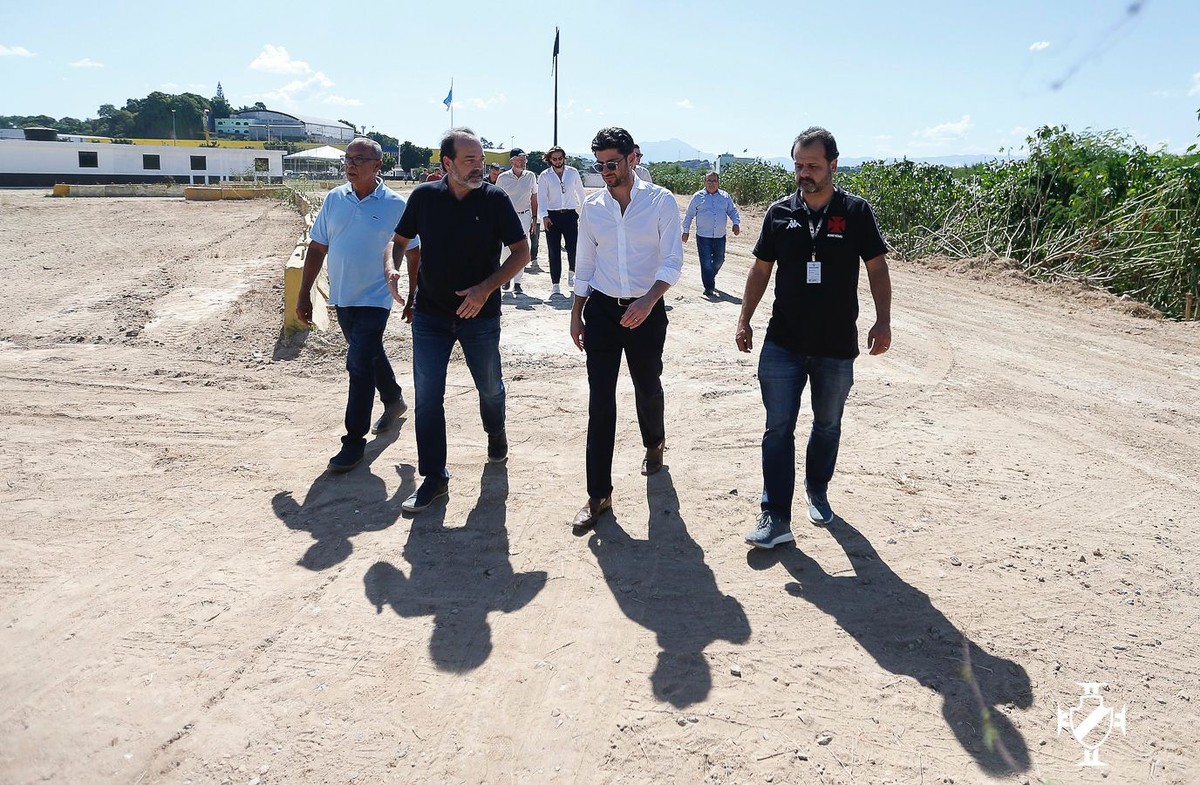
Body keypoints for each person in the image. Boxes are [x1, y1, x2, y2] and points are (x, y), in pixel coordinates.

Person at [736, 126, 892, 549]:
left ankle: (817, 487)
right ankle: (775, 514)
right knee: (777, 427)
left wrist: (883, 321)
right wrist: (744, 319)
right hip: (783, 341)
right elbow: (760, 270)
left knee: (827, 424)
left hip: (836, 345)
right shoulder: (779, 213)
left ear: (833, 165)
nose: (804, 173)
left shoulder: (855, 212)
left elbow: (877, 268)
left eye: (813, 165)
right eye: (799, 165)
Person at [389, 128, 530, 513]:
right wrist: (392, 268)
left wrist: (484, 289)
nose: (478, 167)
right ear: (447, 163)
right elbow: (398, 242)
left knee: (490, 388)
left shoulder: (495, 199)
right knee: (427, 397)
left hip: (480, 316)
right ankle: (434, 477)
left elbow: (522, 253)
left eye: (481, 160)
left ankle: (495, 431)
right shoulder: (423, 197)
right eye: (470, 160)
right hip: (430, 315)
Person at [568, 127, 684, 528]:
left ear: (633, 158)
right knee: (600, 400)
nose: (606, 172)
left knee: (647, 386)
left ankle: (654, 442)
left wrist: (649, 300)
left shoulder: (660, 201)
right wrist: (576, 312)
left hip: (647, 310)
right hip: (602, 311)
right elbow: (585, 262)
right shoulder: (593, 206)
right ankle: (598, 494)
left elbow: (672, 261)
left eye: (612, 164)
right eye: (600, 165)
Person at [296, 137, 421, 473]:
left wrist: (413, 295)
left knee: (359, 364)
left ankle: (353, 441)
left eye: (359, 159)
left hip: (376, 298)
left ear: (378, 165)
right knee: (368, 353)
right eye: (347, 159)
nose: (350, 164)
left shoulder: (396, 205)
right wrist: (304, 293)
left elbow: (414, 252)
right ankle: (393, 399)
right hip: (342, 296)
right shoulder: (334, 199)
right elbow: (317, 247)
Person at [536, 145, 586, 296]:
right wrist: (544, 216)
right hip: (552, 217)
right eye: (554, 159)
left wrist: (585, 211)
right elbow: (541, 197)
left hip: (570, 215)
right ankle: (555, 284)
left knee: (573, 248)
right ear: (550, 160)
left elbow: (580, 193)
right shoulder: (545, 176)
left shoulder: (573, 172)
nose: (558, 161)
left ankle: (572, 273)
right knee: (554, 251)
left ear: (564, 158)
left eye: (560, 158)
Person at [682, 171, 741, 296]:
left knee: (720, 260)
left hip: (720, 235)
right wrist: (685, 231)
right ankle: (709, 287)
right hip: (703, 236)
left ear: (718, 182)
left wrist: (736, 223)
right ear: (705, 182)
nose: (711, 183)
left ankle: (709, 276)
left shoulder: (725, 196)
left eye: (714, 181)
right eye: (709, 180)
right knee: (706, 262)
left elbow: (732, 210)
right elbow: (689, 215)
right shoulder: (698, 197)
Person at [496, 148, 538, 295]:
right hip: (507, 216)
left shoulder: (530, 176)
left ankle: (518, 282)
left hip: (525, 215)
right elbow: (497, 198)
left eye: (524, 159)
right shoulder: (503, 178)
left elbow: (534, 196)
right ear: (512, 161)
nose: (523, 162)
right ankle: (506, 276)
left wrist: (534, 217)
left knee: (523, 248)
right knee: (505, 249)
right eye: (520, 160)